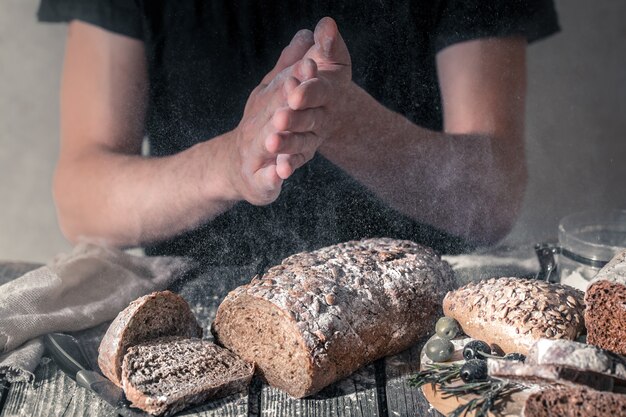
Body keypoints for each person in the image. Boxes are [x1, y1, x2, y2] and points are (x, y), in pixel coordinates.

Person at [38, 1, 559, 269]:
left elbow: (493, 196)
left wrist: (349, 125)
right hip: (192, 316)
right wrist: (230, 163)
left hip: (424, 313)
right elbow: (82, 198)